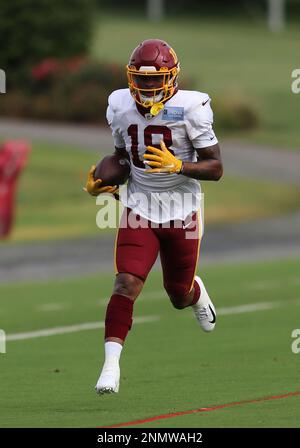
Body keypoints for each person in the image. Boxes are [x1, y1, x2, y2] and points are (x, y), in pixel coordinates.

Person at [85, 39, 223, 394]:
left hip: (182, 212)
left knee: (177, 294)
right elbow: (122, 156)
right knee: (126, 283)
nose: (146, 87)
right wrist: (105, 184)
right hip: (140, 208)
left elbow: (216, 167)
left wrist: (179, 164)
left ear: (171, 77)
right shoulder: (119, 104)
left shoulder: (191, 107)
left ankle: (195, 292)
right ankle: (110, 367)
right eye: (140, 79)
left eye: (153, 79)